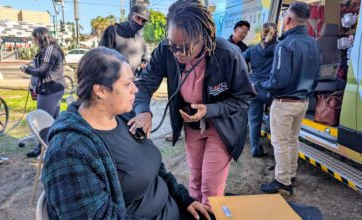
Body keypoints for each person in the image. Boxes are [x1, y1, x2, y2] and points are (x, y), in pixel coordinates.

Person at [42, 47, 214, 220]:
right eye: (127, 84)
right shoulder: (68, 152)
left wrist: (183, 198)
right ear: (101, 90)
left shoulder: (124, 118)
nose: (135, 89)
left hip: (172, 208)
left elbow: (155, 169)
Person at [129, 0, 255, 205]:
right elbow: (144, 84)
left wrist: (210, 109)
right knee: (195, 181)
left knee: (211, 188)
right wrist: (143, 110)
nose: (178, 53)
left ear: (203, 37)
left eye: (186, 47)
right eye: (173, 46)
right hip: (192, 123)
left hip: (222, 125)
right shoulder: (165, 49)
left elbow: (243, 98)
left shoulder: (229, 54)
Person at [255, 2, 320, 195]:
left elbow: (278, 80)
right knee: (292, 140)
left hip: (285, 103)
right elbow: (317, 76)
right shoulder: (313, 43)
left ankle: (282, 181)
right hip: (303, 102)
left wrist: (259, 86)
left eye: (284, 16)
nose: (282, 20)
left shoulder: (285, 45)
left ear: (288, 19)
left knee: (280, 142)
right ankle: (290, 174)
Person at [22, 27, 66, 158]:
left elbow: (43, 71)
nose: (34, 40)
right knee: (54, 119)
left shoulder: (49, 51)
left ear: (41, 37)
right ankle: (55, 145)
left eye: (35, 38)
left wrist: (27, 70)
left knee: (43, 120)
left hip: (49, 90)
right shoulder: (51, 49)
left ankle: (41, 148)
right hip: (54, 88)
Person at [243, 23, 277, 157]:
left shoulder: (252, 50)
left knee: (254, 121)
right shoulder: (279, 50)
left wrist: (247, 77)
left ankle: (255, 149)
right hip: (271, 89)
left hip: (254, 89)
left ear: (262, 34)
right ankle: (276, 150)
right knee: (274, 120)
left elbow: (238, 60)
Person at [99, 4, 150, 75]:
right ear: (131, 15)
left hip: (134, 84)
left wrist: (145, 64)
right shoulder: (113, 31)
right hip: (114, 83)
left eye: (143, 21)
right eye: (138, 18)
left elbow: (144, 60)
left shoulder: (141, 41)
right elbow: (101, 57)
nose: (140, 23)